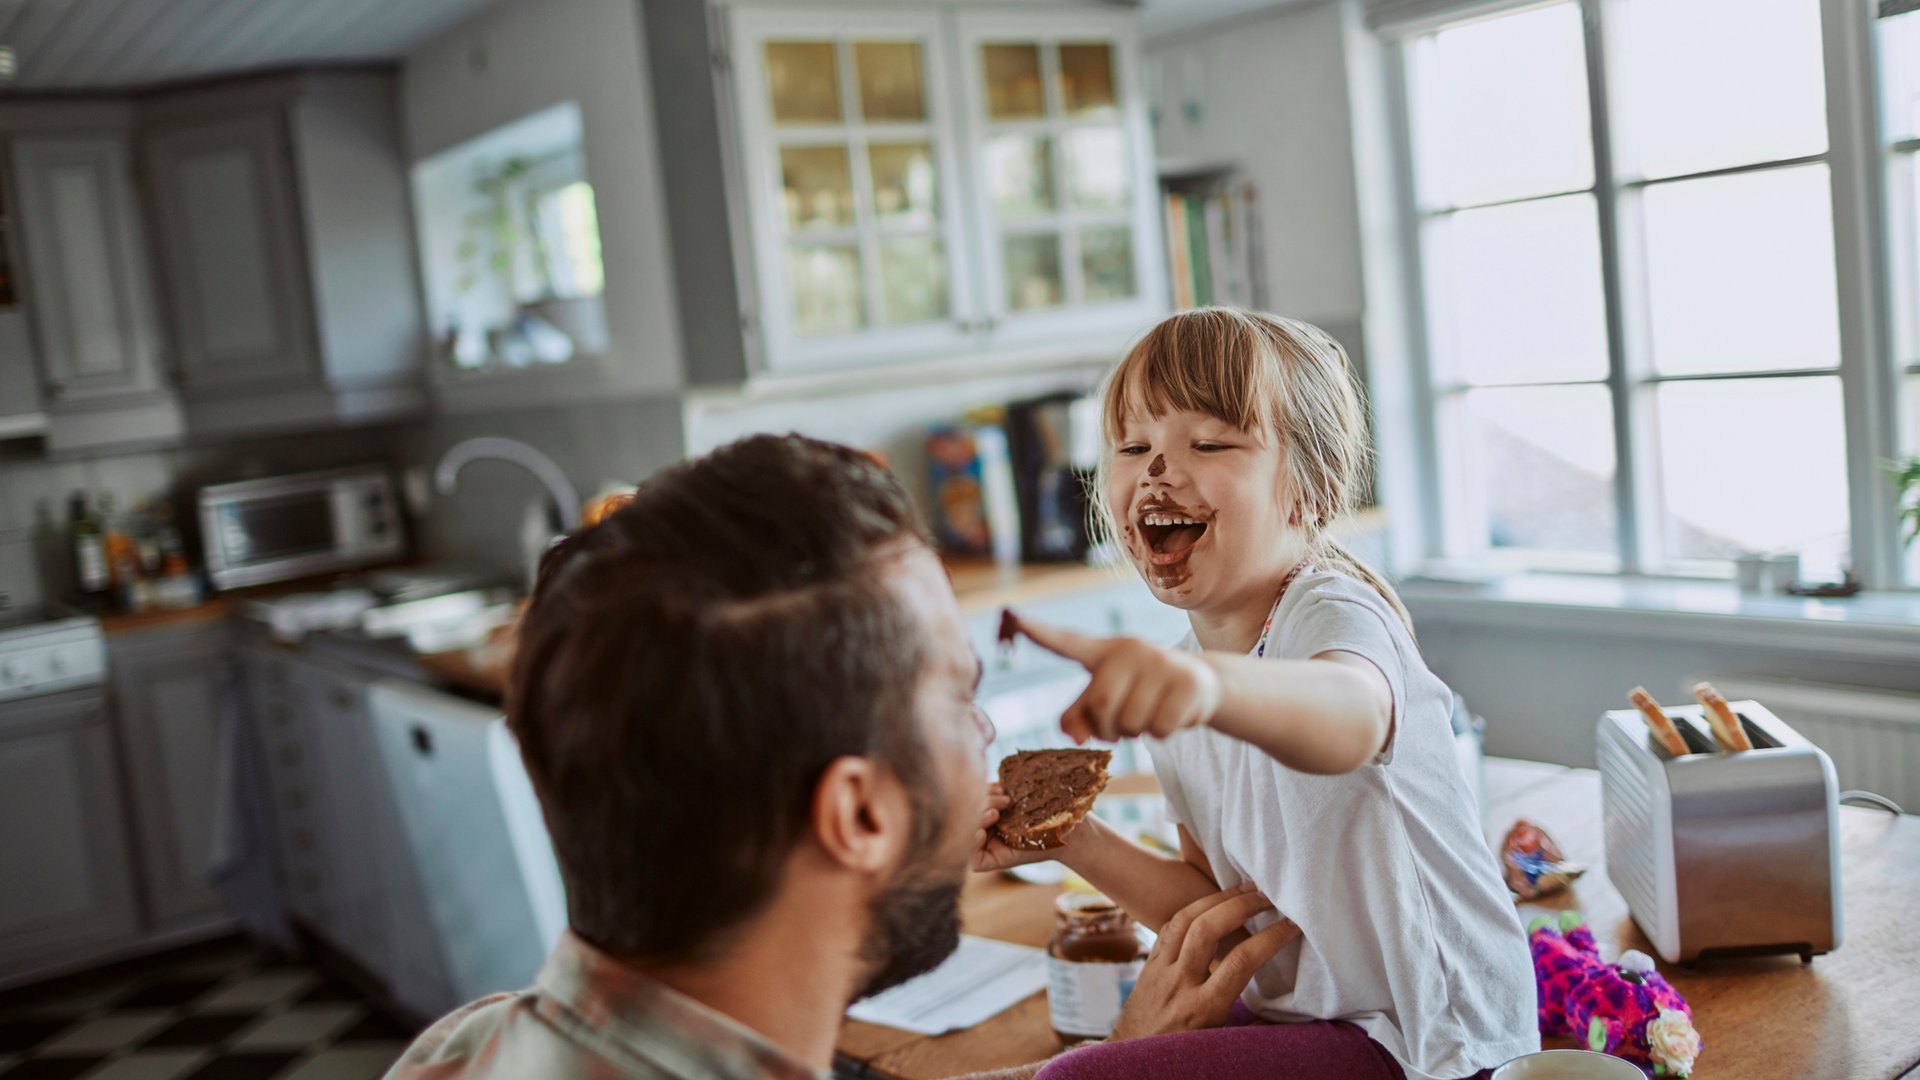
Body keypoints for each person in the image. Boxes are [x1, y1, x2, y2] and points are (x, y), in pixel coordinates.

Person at [385, 434, 1295, 1080]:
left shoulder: (462, 1047)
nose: (987, 736)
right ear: (859, 814)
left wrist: (1110, 1065)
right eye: (955, 699)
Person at [980, 309, 1538, 1080]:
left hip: (1433, 1041)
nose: (1156, 471)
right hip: (1316, 1015)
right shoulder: (1184, 680)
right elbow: (1217, 907)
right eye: (1133, 446)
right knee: (1105, 1049)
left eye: (1208, 443)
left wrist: (1204, 689)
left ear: (1307, 493)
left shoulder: (1331, 611)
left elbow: (1354, 713)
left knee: (1076, 1078)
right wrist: (1070, 836)